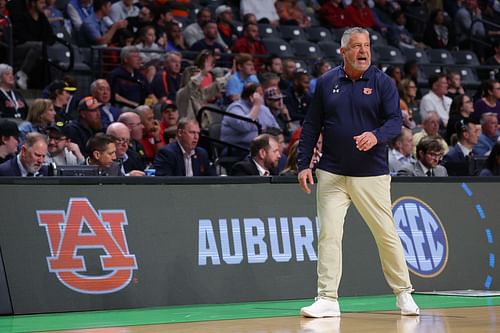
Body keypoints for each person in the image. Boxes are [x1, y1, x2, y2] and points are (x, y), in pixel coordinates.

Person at [297, 27, 419, 318]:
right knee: (328, 234)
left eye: (366, 46)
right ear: (343, 52)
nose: (363, 51)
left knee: (385, 234)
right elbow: (311, 125)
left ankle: (403, 293)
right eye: (356, 46)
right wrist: (304, 164)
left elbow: (394, 122)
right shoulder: (326, 83)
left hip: (371, 174)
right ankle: (327, 298)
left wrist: (376, 136)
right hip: (332, 172)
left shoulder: (383, 82)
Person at [221, 83, 280, 156]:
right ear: (251, 97)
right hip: (237, 148)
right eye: (260, 94)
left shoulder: (264, 109)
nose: (262, 97)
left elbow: (276, 127)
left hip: (261, 145)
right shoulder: (235, 108)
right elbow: (246, 126)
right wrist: (256, 105)